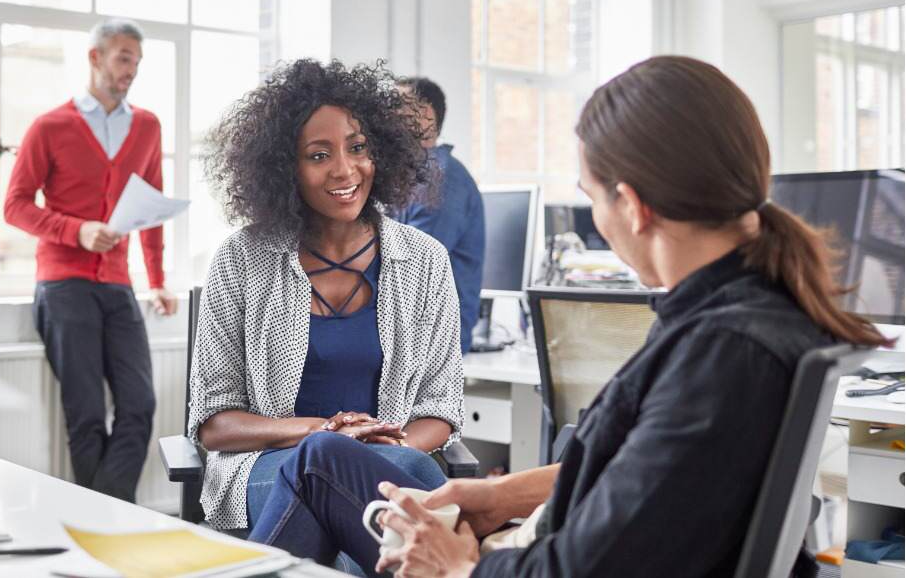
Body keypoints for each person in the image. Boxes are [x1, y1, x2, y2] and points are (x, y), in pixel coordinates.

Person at [246, 55, 893, 577]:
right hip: (535, 543)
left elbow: (589, 563)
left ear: (633, 207)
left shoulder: (721, 353)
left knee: (316, 465)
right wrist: (498, 496)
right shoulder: (745, 314)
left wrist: (460, 568)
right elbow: (649, 474)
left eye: (591, 199)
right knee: (323, 457)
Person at [188, 59, 466, 535]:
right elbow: (215, 422)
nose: (344, 169)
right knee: (354, 481)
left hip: (387, 464)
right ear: (284, 168)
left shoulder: (425, 260)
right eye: (318, 155)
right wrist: (323, 433)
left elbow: (440, 407)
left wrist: (380, 451)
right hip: (266, 468)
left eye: (358, 148)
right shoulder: (242, 258)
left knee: (378, 490)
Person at [4, 18, 178, 503]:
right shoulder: (50, 126)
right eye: (124, 58)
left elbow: (151, 205)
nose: (132, 70)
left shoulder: (147, 126)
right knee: (84, 414)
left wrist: (158, 280)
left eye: (137, 62)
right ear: (95, 58)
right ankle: (106, 524)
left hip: (119, 284)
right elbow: (14, 205)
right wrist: (75, 230)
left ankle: (102, 514)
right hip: (63, 284)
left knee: (139, 404)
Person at [393, 77, 484, 354]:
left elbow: (412, 270)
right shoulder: (407, 179)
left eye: (395, 108)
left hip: (432, 341)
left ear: (426, 118)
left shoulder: (440, 178)